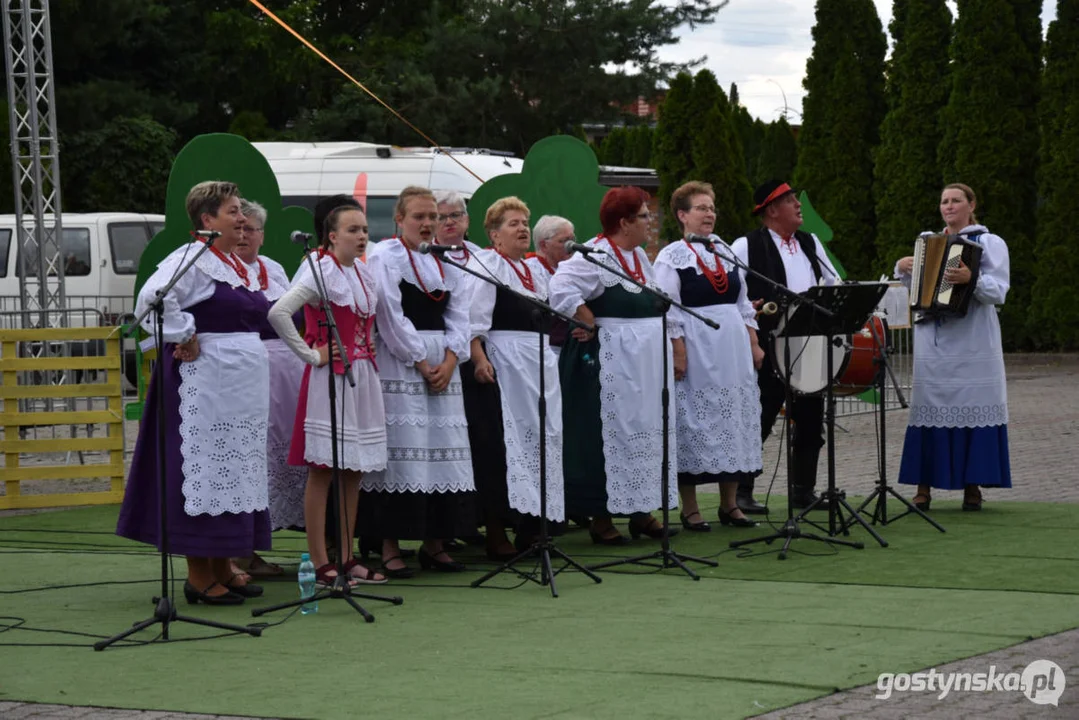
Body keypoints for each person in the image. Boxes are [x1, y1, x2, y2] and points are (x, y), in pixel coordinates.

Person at [116, 181, 269, 605]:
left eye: (241, 211)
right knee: (203, 471)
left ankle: (224, 566)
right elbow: (152, 298)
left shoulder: (237, 264)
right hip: (204, 386)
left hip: (237, 389)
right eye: (233, 211)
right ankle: (199, 575)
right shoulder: (192, 258)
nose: (242, 219)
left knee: (234, 470)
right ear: (207, 220)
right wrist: (188, 334)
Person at [549, 186, 678, 544]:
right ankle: (601, 519)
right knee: (608, 435)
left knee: (645, 430)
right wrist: (585, 315)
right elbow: (559, 285)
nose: (650, 223)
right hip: (612, 362)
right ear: (624, 222)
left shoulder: (639, 257)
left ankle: (641, 510)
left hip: (645, 363)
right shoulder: (596, 254)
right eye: (644, 216)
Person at [359, 186, 477, 577]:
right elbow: (389, 315)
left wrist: (449, 358)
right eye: (420, 217)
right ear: (399, 219)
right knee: (400, 452)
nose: (429, 224)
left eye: (435, 217)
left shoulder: (445, 259)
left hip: (443, 360)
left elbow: (461, 314)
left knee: (440, 448)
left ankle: (434, 543)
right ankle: (390, 546)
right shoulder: (385, 256)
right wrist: (421, 361)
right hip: (401, 362)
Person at [268, 205, 388, 585]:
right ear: (331, 235)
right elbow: (279, 313)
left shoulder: (362, 273)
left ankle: (348, 555)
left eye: (365, 229)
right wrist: (311, 353)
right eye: (353, 229)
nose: (362, 235)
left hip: (361, 375)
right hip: (330, 378)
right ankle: (321, 560)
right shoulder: (318, 268)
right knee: (323, 470)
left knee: (353, 469)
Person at [893, 183, 1011, 511]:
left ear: (971, 205)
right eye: (944, 201)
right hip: (933, 340)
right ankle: (923, 488)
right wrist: (902, 268)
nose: (949, 206)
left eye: (956, 200)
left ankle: (972, 487)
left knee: (974, 407)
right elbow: (917, 289)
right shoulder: (928, 240)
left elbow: (999, 291)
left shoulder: (988, 242)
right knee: (928, 406)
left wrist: (970, 279)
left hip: (973, 338)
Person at [655, 182, 763, 531]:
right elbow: (669, 308)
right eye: (701, 208)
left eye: (712, 207)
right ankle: (690, 508)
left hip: (732, 348)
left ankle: (729, 504)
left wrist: (754, 342)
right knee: (694, 421)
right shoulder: (671, 255)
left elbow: (743, 303)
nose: (710, 214)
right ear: (682, 215)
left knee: (732, 420)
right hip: (697, 348)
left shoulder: (725, 249)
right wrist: (678, 350)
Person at [731, 180, 842, 513]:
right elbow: (732, 293)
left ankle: (802, 490)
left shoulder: (810, 243)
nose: (798, 205)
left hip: (808, 342)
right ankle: (741, 491)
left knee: (810, 419)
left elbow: (832, 280)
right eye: (790, 200)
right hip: (768, 342)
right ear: (771, 211)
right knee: (761, 417)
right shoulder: (746, 245)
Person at [468, 197, 565, 559]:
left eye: (525, 221)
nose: (523, 228)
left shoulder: (535, 270)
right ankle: (497, 532)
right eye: (513, 223)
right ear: (494, 235)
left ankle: (535, 528)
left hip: (539, 363)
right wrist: (479, 359)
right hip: (505, 362)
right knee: (505, 447)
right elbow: (473, 322)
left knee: (542, 442)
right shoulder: (488, 265)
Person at [221, 199, 304, 581]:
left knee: (286, 457)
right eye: (240, 228)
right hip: (244, 370)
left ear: (262, 235)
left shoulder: (274, 268)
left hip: (286, 373)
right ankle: (237, 554)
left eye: (252, 229)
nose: (245, 235)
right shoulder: (220, 268)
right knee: (249, 459)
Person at [525, 215, 574, 356]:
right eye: (564, 241)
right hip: (544, 351)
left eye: (572, 239)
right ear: (543, 245)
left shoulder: (571, 268)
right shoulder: (531, 270)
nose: (571, 246)